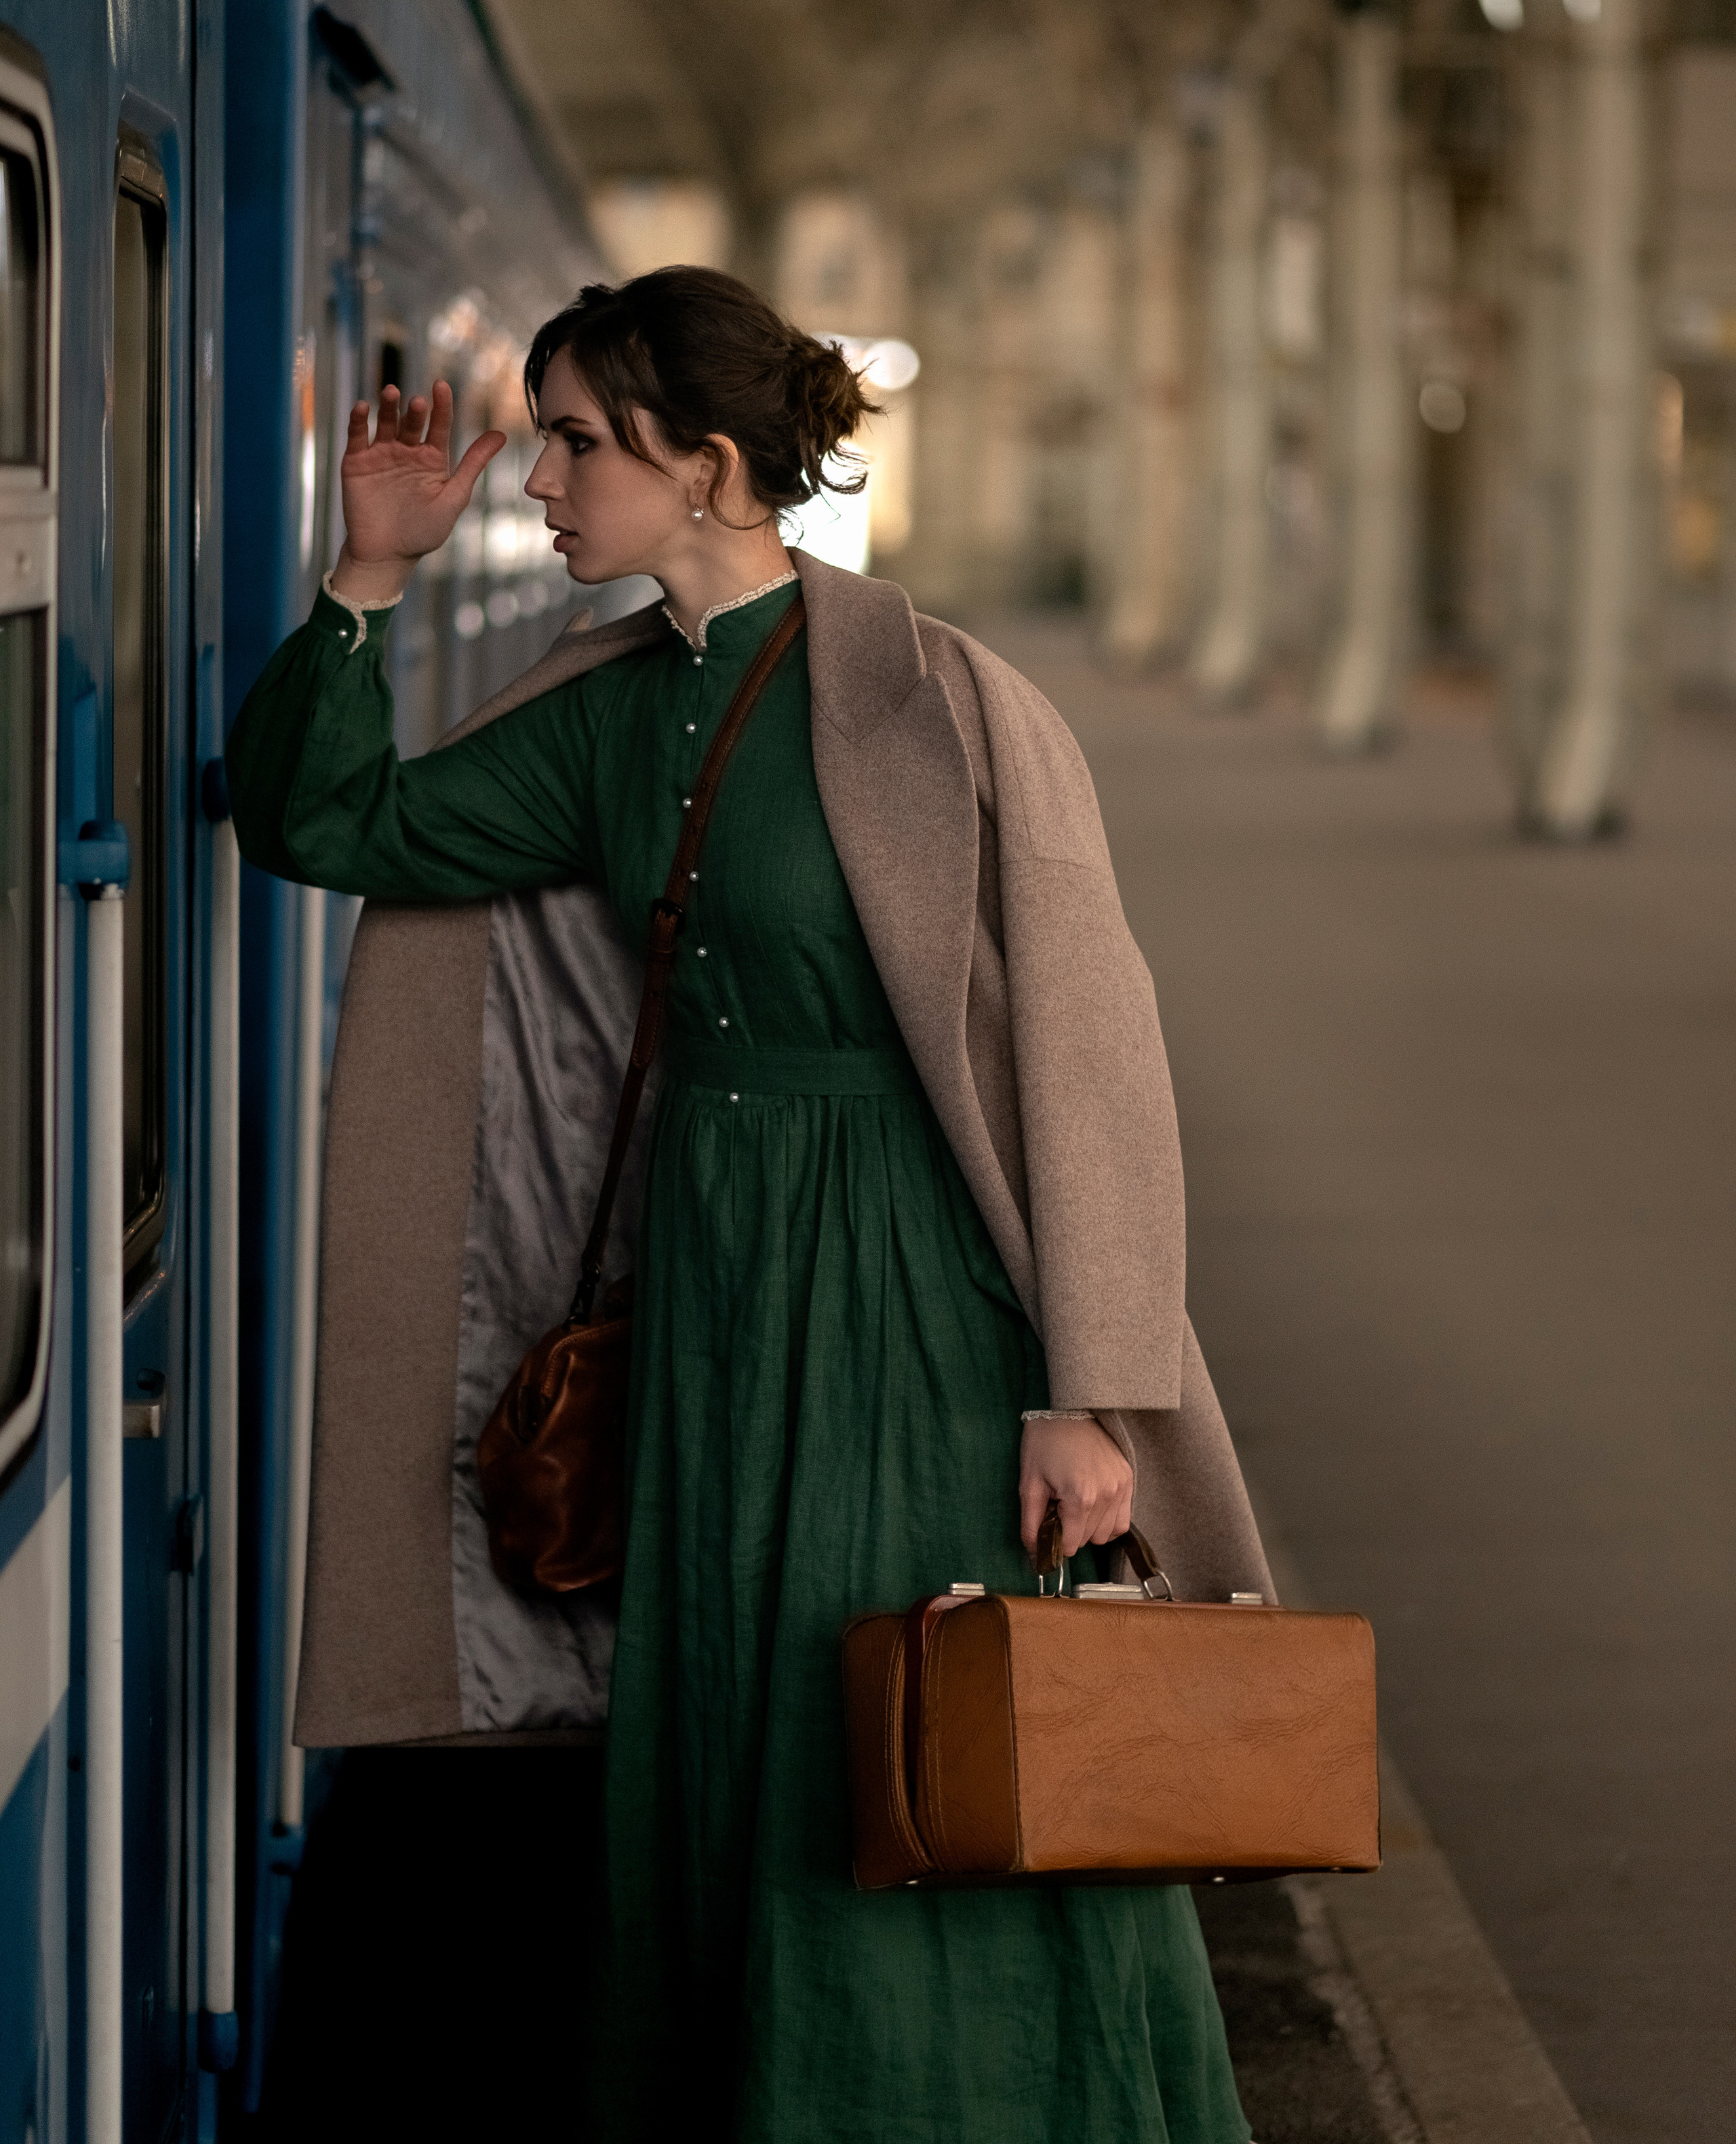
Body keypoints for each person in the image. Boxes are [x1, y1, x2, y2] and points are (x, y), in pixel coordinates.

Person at [228, 264, 1271, 2143]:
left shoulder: (947, 700)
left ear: (705, 465)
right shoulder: (619, 716)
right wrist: (366, 583)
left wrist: (1089, 1386)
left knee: (943, 1715)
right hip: (714, 1283)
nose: (534, 482)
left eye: (572, 442)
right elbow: (335, 828)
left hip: (927, 1292)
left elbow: (1093, 1061)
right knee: (747, 1726)